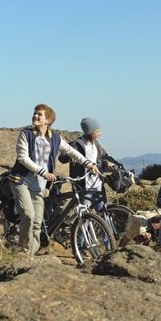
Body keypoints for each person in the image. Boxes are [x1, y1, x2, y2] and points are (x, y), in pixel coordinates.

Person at [9, 104, 99, 255]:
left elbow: (71, 151)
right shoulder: (26, 134)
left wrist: (88, 164)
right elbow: (23, 158)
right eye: (35, 114)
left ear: (48, 120)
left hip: (38, 184)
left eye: (39, 115)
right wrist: (42, 172)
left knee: (37, 221)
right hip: (21, 181)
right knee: (29, 215)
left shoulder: (55, 138)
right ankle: (23, 251)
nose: (35, 116)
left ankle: (32, 253)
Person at [59, 117, 118, 212]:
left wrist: (106, 162)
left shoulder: (96, 144)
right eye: (97, 131)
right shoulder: (76, 144)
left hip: (97, 184)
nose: (100, 134)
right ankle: (78, 225)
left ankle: (101, 226)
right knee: (85, 213)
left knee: (103, 211)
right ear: (90, 131)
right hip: (84, 186)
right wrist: (69, 158)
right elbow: (62, 158)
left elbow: (100, 158)